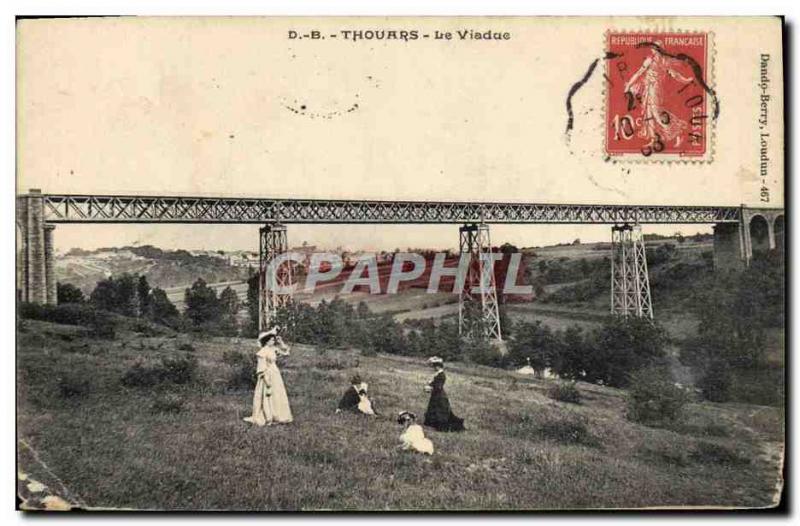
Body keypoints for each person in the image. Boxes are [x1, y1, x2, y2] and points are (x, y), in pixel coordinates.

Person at [243, 326, 293, 426]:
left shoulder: (273, 349)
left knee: (277, 394)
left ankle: (278, 415)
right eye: (271, 340)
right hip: (267, 374)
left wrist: (281, 342)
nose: (273, 341)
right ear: (266, 341)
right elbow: (261, 367)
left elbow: (287, 353)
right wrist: (266, 379)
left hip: (275, 374)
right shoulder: (263, 352)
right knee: (267, 394)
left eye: (274, 340)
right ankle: (268, 416)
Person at [423, 356, 465, 432]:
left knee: (441, 412)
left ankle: (441, 425)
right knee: (435, 410)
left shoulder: (441, 375)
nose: (433, 368)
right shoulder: (438, 374)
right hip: (436, 395)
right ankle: (433, 424)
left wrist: (429, 388)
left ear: (438, 366)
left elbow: (438, 387)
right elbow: (435, 384)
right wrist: (429, 385)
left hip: (439, 396)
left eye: (434, 366)